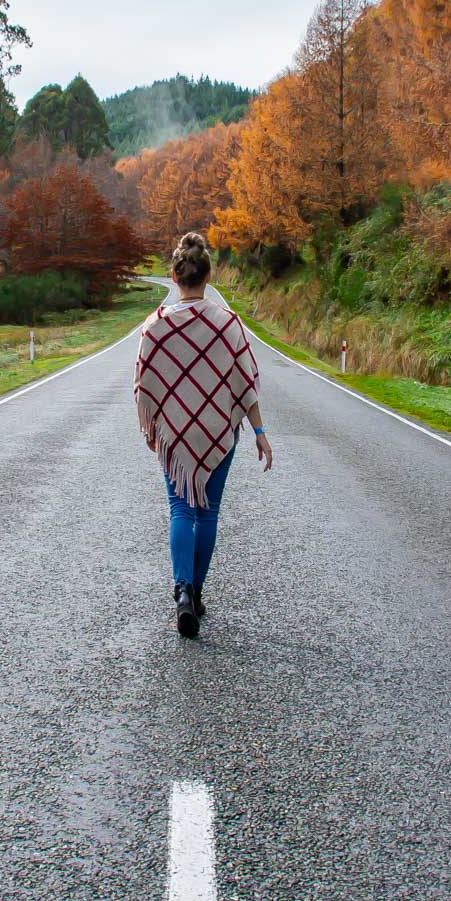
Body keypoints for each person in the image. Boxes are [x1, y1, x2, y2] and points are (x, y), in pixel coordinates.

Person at [133, 232, 274, 637]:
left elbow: (145, 386)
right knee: (207, 511)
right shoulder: (228, 324)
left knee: (180, 508)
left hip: (175, 435)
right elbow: (245, 381)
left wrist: (153, 426)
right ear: (208, 276)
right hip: (216, 430)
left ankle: (181, 592)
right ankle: (195, 592)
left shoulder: (155, 327)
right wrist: (259, 430)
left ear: (173, 277)